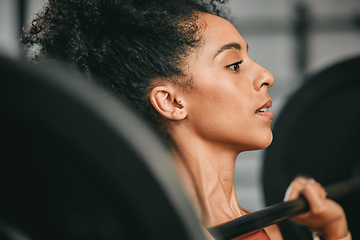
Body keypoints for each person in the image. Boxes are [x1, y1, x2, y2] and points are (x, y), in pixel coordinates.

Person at [21, 0, 351, 239]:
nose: (266, 76)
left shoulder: (263, 227)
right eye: (234, 65)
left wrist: (332, 229)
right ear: (172, 101)